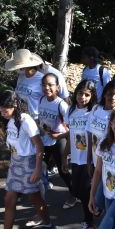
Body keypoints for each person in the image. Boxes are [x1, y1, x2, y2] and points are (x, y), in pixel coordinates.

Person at [0, 90, 55, 229]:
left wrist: (38, 169)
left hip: (29, 163)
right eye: (0, 109)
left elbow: (39, 146)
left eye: (5, 109)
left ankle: (49, 225)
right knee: (9, 200)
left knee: (35, 199)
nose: (2, 112)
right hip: (16, 164)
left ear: (15, 105)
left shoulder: (26, 120)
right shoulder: (10, 121)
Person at [65, 80, 98, 229]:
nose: (82, 97)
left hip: (88, 159)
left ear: (92, 97)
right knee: (77, 190)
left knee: (84, 191)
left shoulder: (92, 112)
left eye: (87, 95)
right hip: (76, 158)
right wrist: (65, 156)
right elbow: (70, 136)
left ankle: (89, 223)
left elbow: (92, 138)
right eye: (80, 93)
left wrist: (91, 161)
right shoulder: (71, 110)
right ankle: (96, 208)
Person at [37, 73, 75, 208]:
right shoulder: (41, 100)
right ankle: (39, 196)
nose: (47, 88)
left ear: (57, 87)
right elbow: (41, 120)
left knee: (63, 170)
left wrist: (59, 136)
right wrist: (40, 129)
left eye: (50, 85)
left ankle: (73, 194)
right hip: (45, 139)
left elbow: (73, 129)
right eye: (44, 85)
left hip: (60, 140)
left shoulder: (61, 105)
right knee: (40, 166)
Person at [6, 49, 68, 119]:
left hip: (37, 119)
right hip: (21, 117)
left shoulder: (42, 79)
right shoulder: (21, 77)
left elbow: (52, 99)